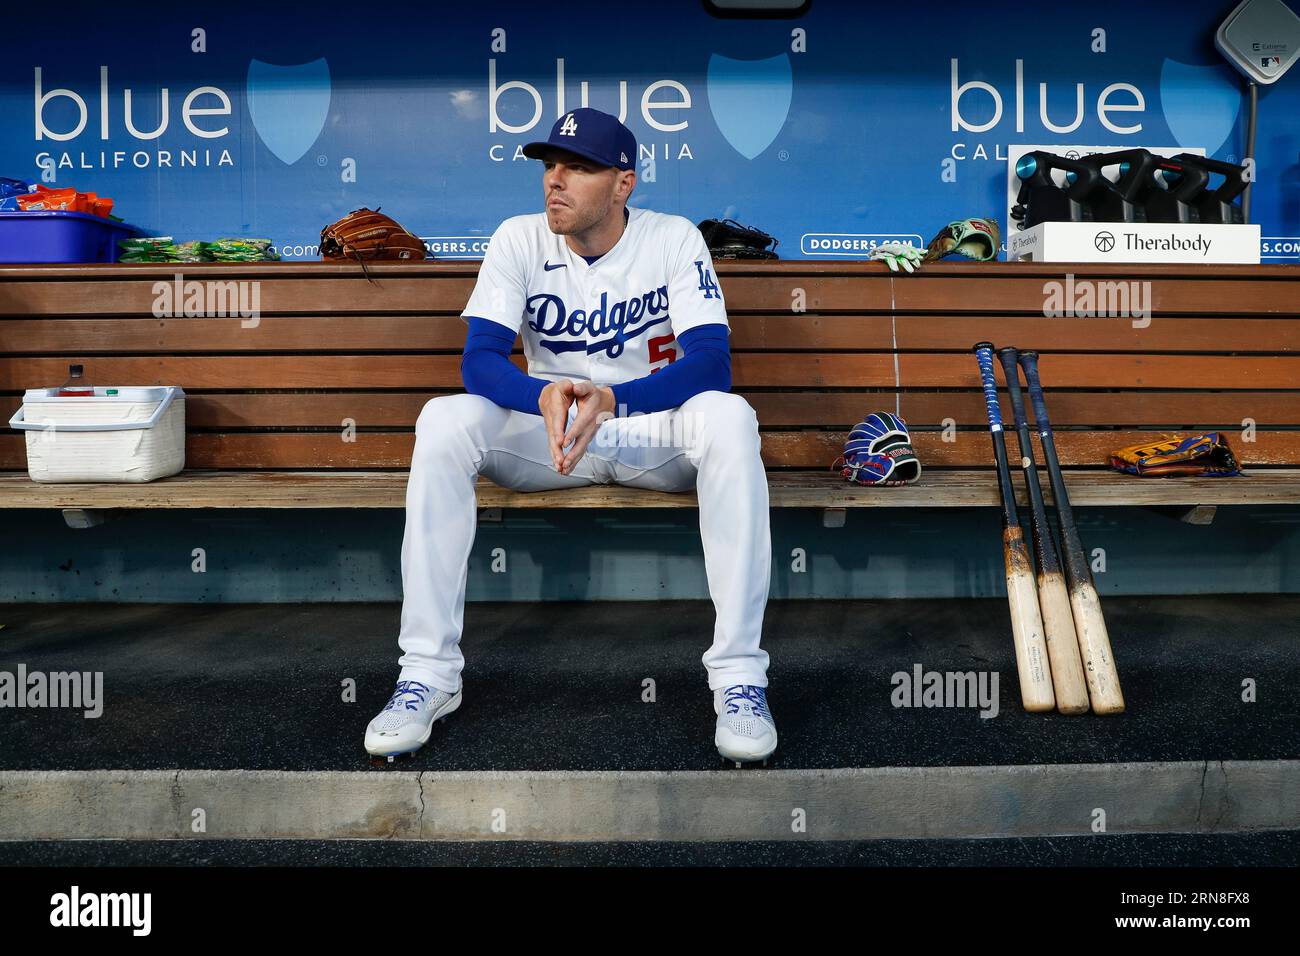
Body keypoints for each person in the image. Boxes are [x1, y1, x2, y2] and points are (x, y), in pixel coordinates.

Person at [365, 107, 776, 765]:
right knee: (443, 419)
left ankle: (739, 682)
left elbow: (711, 365)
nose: (555, 180)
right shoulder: (519, 238)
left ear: (623, 183)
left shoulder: (672, 240)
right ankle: (428, 675)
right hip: (554, 440)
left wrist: (616, 399)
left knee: (731, 418)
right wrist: (541, 395)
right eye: (549, 165)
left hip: (648, 436)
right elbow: (479, 361)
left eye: (578, 168)